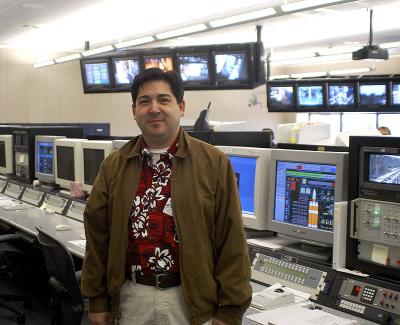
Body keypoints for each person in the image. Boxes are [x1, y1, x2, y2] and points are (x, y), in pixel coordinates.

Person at [81, 67, 252, 325]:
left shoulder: (213, 163)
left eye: (163, 100)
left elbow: (231, 240)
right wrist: (97, 299)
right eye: (144, 101)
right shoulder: (115, 164)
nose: (154, 108)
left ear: (181, 107)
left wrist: (230, 310)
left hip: (191, 301)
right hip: (130, 298)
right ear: (134, 111)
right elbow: (97, 236)